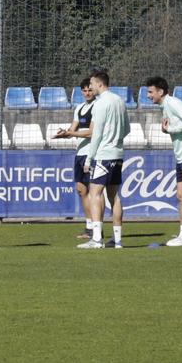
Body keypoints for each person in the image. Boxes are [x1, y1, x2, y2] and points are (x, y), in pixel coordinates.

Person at [145, 76, 182, 246]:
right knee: (181, 195)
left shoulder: (172, 102)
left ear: (160, 91)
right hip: (181, 156)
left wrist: (172, 128)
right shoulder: (165, 107)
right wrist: (167, 131)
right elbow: (176, 128)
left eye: (150, 92)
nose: (148, 96)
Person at [79, 69, 129, 250]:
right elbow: (127, 129)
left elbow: (97, 134)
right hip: (118, 154)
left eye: (91, 84)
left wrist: (89, 159)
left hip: (103, 155)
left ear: (99, 84)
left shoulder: (100, 104)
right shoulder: (120, 101)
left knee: (94, 193)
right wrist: (116, 139)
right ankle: (117, 240)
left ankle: (97, 239)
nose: (90, 87)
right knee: (114, 196)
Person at [53, 77, 96, 239]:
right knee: (81, 190)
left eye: (89, 90)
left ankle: (97, 227)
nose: (87, 93)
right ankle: (89, 226)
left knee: (94, 191)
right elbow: (73, 130)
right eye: (84, 90)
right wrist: (64, 134)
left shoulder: (98, 107)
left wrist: (71, 133)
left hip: (92, 153)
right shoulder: (79, 108)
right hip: (80, 153)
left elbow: (92, 133)